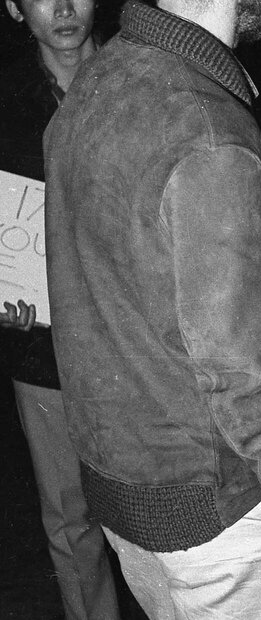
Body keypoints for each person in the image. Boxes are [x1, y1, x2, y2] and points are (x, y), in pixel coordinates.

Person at [42, 0, 261, 616]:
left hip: (133, 501)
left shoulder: (99, 81)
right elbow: (246, 372)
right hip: (227, 515)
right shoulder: (204, 126)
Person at [0, 0, 121, 617]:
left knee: (160, 514)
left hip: (141, 346)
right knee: (72, 522)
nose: (65, 8)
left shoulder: (141, 80)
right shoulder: (6, 106)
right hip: (43, 350)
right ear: (15, 10)